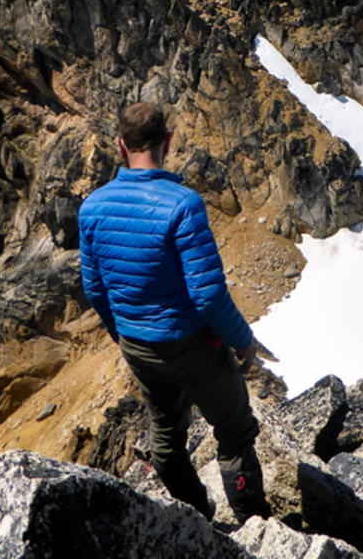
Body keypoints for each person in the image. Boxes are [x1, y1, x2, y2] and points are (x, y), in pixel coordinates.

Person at [78, 101, 267, 520]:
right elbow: (208, 296)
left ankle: (195, 517)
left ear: (119, 146)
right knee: (235, 430)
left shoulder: (91, 207)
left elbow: (95, 290)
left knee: (166, 438)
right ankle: (254, 523)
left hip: (137, 345)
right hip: (192, 346)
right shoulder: (183, 205)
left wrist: (125, 335)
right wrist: (244, 343)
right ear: (167, 141)